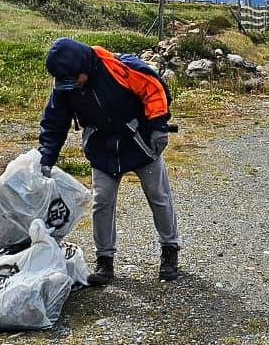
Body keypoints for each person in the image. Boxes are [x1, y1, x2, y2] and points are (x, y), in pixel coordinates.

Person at [38, 37, 180, 285]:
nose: (71, 86)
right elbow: (54, 123)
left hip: (139, 142)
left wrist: (158, 127)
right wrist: (46, 159)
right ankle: (104, 262)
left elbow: (153, 89)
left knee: (159, 197)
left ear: (83, 67)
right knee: (101, 202)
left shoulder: (120, 67)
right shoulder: (65, 85)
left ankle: (170, 251)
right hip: (102, 149)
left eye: (74, 79)